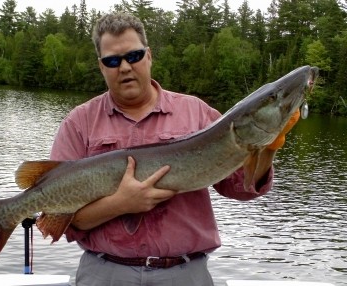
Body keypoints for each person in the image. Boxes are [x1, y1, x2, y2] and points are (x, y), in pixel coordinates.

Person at [50, 12, 299, 286]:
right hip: (105, 272)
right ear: (101, 67)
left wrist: (270, 146)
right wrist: (120, 205)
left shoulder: (197, 113)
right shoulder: (78, 123)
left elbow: (240, 189)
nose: (124, 67)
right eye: (112, 61)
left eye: (133, 56)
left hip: (185, 273)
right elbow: (62, 220)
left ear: (148, 56)